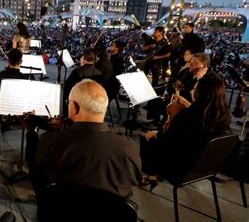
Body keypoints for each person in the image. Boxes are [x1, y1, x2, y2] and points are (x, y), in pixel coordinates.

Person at [21, 79, 142, 220]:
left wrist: (31, 132)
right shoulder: (128, 147)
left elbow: (36, 174)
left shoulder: (52, 140)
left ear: (74, 107)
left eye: (68, 103)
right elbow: (135, 179)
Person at [140, 76, 231, 189]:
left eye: (195, 88)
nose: (191, 91)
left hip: (181, 166)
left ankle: (152, 175)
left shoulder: (189, 115)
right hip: (203, 166)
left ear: (202, 93)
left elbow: (170, 140)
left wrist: (155, 133)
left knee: (148, 138)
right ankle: (155, 173)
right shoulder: (224, 114)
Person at [62, 48, 103, 117]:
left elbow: (67, 88)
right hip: (94, 103)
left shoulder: (77, 72)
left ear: (84, 58)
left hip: (78, 102)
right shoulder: (99, 73)